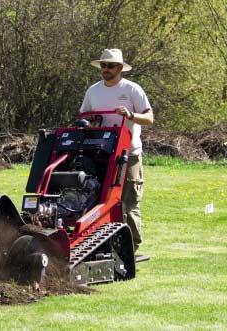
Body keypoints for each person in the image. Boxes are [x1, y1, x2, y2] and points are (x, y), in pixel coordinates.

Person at [79, 48, 154, 254]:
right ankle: (104, 243)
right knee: (99, 200)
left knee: (128, 203)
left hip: (127, 154)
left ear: (120, 68)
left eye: (110, 66)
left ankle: (132, 248)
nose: (106, 69)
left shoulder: (132, 89)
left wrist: (130, 115)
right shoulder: (93, 91)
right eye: (103, 65)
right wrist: (89, 122)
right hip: (100, 153)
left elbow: (149, 118)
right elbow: (84, 116)